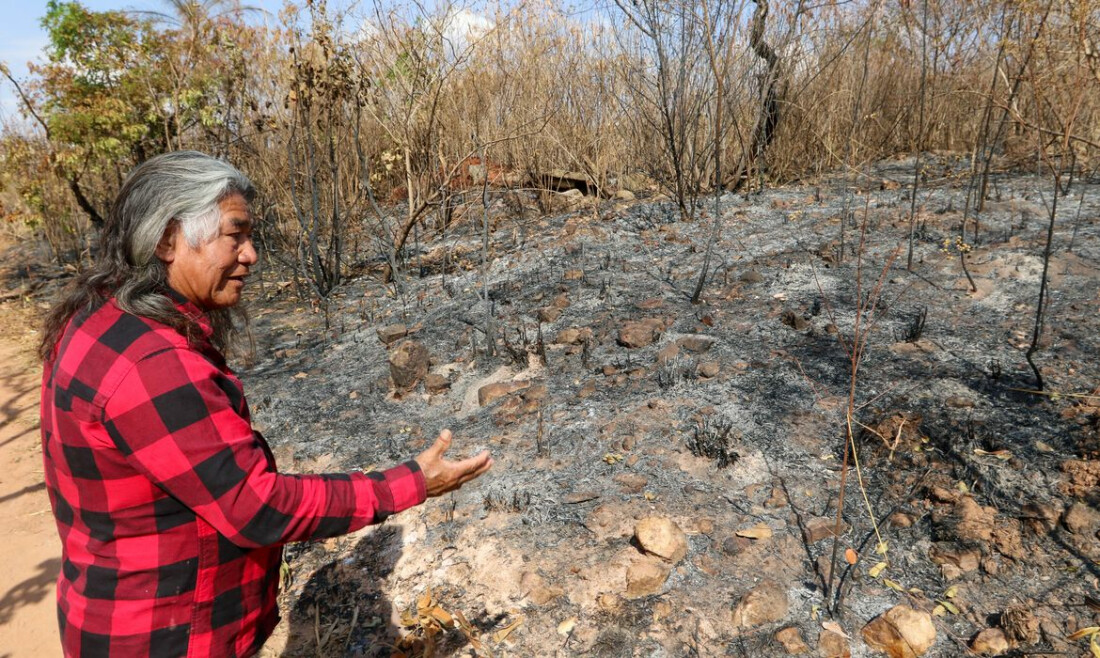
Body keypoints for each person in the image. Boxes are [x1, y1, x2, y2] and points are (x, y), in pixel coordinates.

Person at [38, 150, 492, 657]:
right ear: (168, 239)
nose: (251, 254)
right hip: (167, 637)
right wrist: (406, 484)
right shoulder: (152, 362)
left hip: (116, 615)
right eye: (235, 234)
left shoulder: (101, 316)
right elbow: (256, 507)